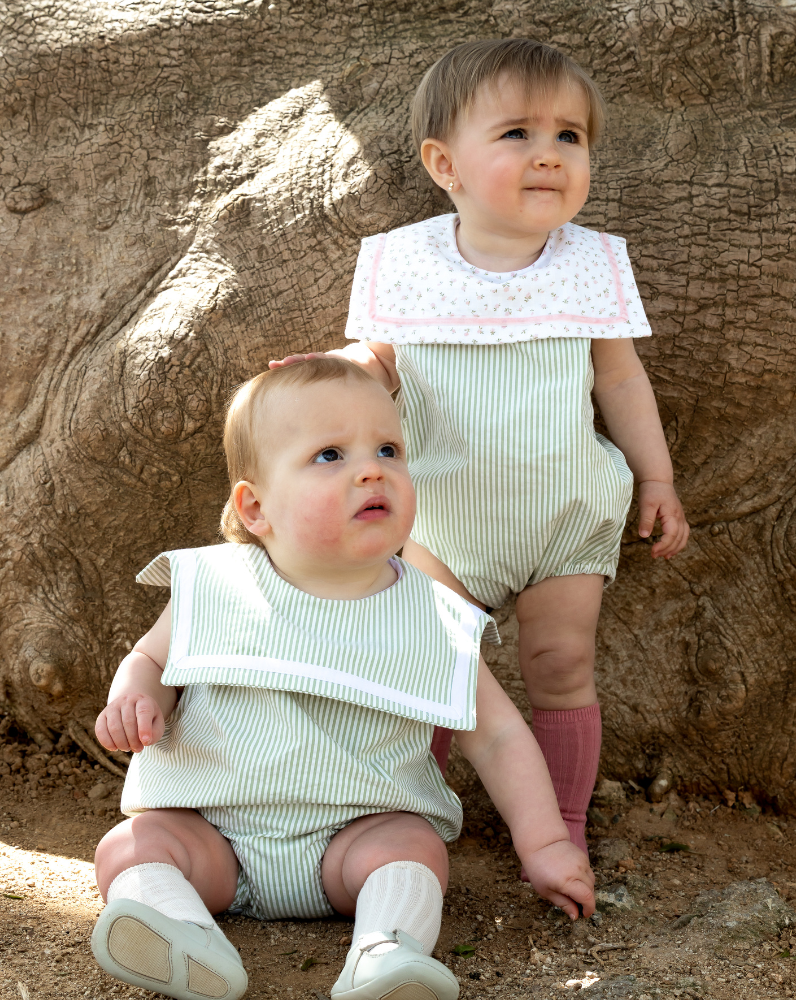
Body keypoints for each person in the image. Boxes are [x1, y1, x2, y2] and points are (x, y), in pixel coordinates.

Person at [270, 39, 690, 854]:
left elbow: (621, 381)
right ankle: (411, 816)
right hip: (440, 519)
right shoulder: (405, 263)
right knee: (436, 675)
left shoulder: (591, 264)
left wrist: (656, 476)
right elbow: (379, 364)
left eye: (570, 137)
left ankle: (562, 824)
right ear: (445, 163)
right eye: (517, 135)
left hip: (566, 513)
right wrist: (334, 371)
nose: (549, 155)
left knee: (561, 662)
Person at [90, 358, 595, 1000]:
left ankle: (384, 953)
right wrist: (135, 693)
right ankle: (180, 932)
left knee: (414, 848)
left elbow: (495, 734)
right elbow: (154, 660)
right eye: (330, 454)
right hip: (212, 835)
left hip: (354, 843)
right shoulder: (213, 584)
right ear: (255, 506)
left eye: (389, 448)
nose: (370, 468)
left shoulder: (432, 611)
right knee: (130, 845)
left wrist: (546, 843)